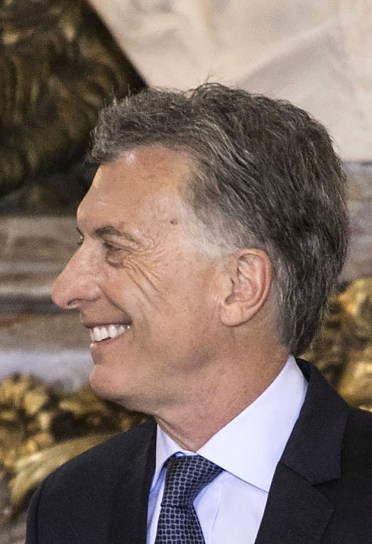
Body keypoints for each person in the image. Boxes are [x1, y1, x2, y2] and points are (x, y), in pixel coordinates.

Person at [26, 83, 372, 543]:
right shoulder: (70, 504)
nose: (65, 288)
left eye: (114, 247)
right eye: (81, 243)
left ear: (239, 286)